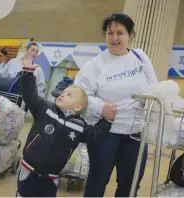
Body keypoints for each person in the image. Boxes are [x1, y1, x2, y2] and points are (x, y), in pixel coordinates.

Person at [74, 13, 158, 197]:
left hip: (136, 133)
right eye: (110, 33)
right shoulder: (95, 65)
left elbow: (154, 87)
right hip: (107, 132)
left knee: (130, 184)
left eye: (120, 32)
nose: (114, 38)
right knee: (98, 180)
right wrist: (100, 107)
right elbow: (78, 96)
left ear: (130, 35)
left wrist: (149, 99)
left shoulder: (140, 58)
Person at [16, 65, 112, 197]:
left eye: (69, 95)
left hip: (52, 177)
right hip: (29, 171)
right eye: (63, 92)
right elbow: (30, 95)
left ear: (78, 106)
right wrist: (27, 72)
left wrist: (106, 121)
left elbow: (94, 134)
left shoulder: (79, 126)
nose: (62, 94)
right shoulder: (45, 108)